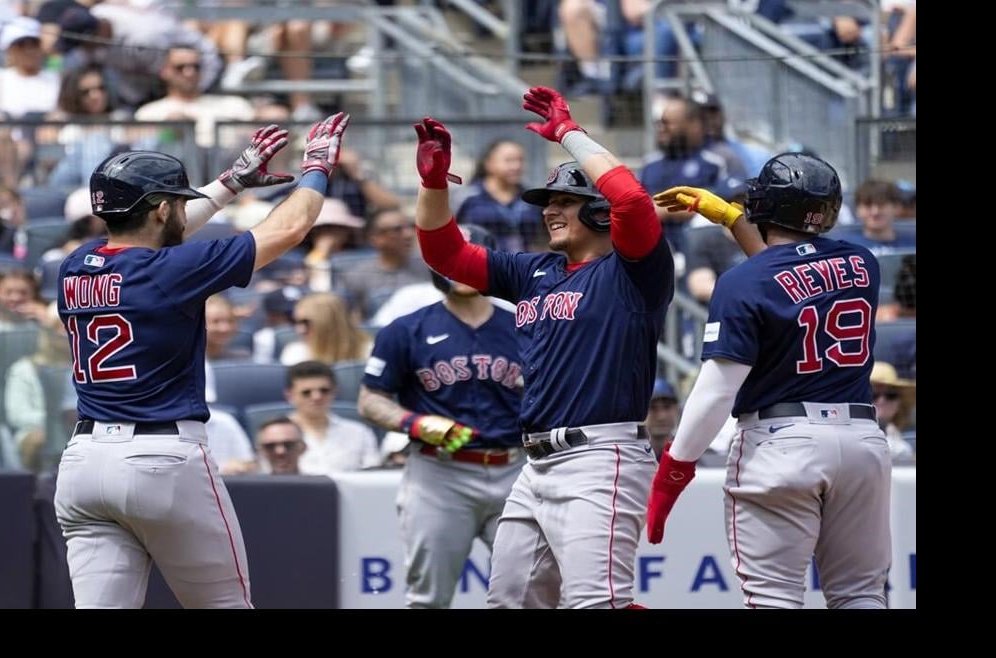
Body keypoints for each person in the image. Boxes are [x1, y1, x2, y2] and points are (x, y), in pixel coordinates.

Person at [54, 116, 350, 609]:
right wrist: (316, 168)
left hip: (83, 465)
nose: (182, 209)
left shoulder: (76, 264)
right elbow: (291, 227)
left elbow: (158, 231)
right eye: (177, 201)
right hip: (161, 458)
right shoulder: (170, 270)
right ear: (161, 208)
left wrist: (231, 183)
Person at [412, 85, 674, 609]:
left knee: (596, 603)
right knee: (509, 601)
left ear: (600, 213)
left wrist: (568, 134)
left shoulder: (633, 271)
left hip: (602, 455)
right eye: (547, 202)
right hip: (535, 464)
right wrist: (434, 183)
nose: (550, 211)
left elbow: (632, 200)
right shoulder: (536, 270)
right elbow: (445, 254)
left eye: (566, 202)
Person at [646, 152, 891, 609]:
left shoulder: (742, 281)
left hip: (780, 445)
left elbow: (719, 387)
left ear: (765, 205)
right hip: (861, 441)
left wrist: (674, 471)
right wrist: (733, 220)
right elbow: (790, 273)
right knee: (860, 595)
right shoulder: (863, 263)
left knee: (773, 599)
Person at [358, 223, 525, 609]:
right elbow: (370, 399)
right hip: (439, 474)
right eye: (452, 258)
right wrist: (413, 424)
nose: (461, 268)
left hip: (516, 469)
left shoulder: (523, 326)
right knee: (429, 599)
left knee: (526, 596)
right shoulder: (406, 330)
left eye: (471, 258)